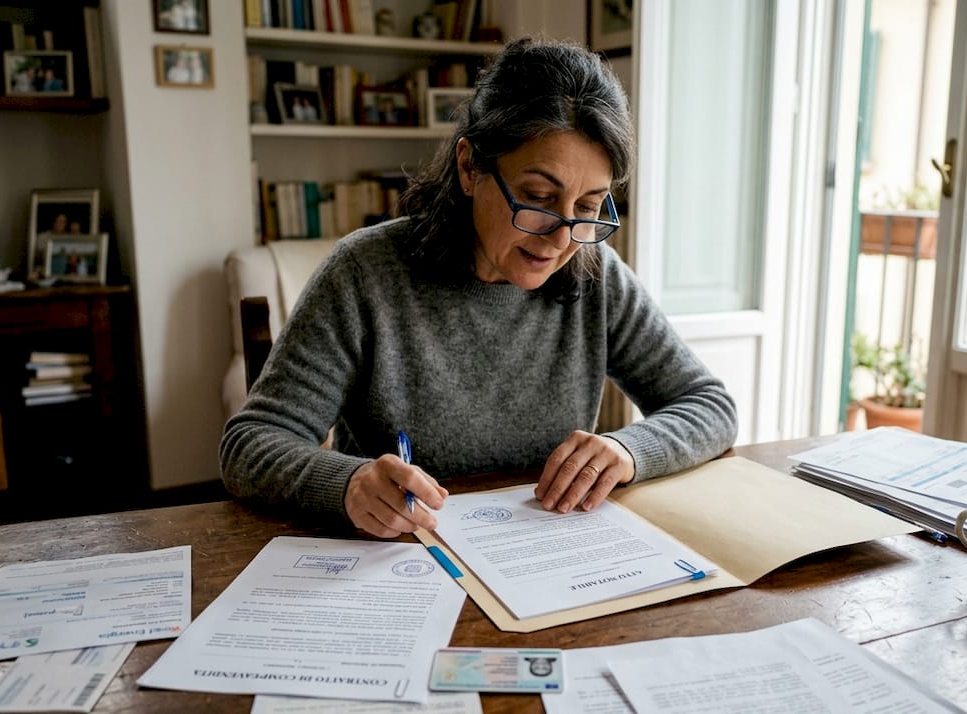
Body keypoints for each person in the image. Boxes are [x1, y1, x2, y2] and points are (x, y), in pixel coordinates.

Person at [220, 37, 737, 539]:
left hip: (551, 555)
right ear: (470, 166)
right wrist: (349, 484)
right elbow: (250, 443)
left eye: (587, 206)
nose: (562, 238)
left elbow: (708, 404)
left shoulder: (595, 273)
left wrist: (630, 450)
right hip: (405, 559)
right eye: (539, 196)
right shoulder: (364, 273)